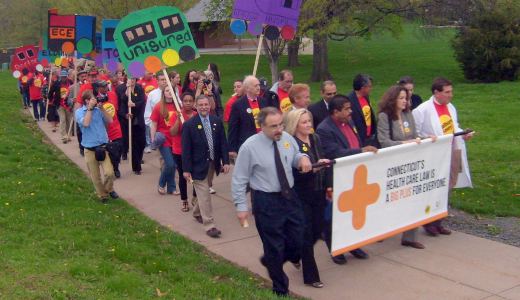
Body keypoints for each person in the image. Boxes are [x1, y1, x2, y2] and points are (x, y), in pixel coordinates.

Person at [232, 107, 312, 296]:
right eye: (273, 126)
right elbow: (239, 178)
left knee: (300, 237)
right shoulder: (250, 147)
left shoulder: (286, 139)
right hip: (266, 201)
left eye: (281, 125)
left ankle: (272, 260)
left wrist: (303, 158)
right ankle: (280, 288)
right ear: (261, 126)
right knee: (274, 245)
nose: (279, 130)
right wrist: (241, 206)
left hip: (289, 197)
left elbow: (294, 156)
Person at [316, 94, 378, 264]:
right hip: (336, 177)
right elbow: (334, 152)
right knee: (333, 216)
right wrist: (361, 151)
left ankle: (353, 244)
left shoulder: (349, 123)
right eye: (347, 109)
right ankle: (336, 249)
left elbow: (355, 142)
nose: (351, 112)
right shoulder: (324, 129)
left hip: (355, 175)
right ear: (336, 112)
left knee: (353, 213)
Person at [413, 77, 473, 236]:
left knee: (448, 185)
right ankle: (429, 222)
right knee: (435, 186)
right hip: (435, 154)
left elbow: (454, 126)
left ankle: (439, 219)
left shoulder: (451, 107)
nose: (450, 95)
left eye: (451, 91)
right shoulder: (422, 110)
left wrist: (463, 134)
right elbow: (415, 133)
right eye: (447, 92)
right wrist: (427, 138)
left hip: (453, 150)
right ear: (436, 93)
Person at [377, 85, 431, 249]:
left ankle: (409, 236)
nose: (404, 101)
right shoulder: (384, 116)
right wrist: (403, 143)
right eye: (401, 98)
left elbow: (414, 135)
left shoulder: (408, 114)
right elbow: (384, 141)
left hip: (410, 163)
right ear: (393, 99)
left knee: (412, 197)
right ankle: (381, 229)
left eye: (406, 98)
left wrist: (426, 138)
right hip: (392, 164)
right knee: (390, 199)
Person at [285, 108, 331, 288]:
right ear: (295, 124)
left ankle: (295, 254)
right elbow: (293, 174)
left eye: (309, 121)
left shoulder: (315, 138)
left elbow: (323, 161)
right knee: (305, 232)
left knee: (317, 229)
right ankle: (311, 276)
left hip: (318, 192)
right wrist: (315, 168)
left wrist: (328, 184)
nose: (309, 125)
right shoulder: (291, 144)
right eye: (304, 122)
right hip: (300, 194)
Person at [182, 95, 230, 238]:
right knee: (205, 195)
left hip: (212, 164)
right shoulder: (189, 125)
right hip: (197, 165)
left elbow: (223, 143)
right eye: (201, 104)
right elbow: (186, 149)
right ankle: (209, 225)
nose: (204, 107)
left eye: (206, 104)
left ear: (210, 106)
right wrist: (186, 169)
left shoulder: (216, 122)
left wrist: (225, 161)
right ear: (196, 106)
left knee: (204, 192)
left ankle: (197, 212)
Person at [75, 90, 119, 203]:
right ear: (87, 101)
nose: (96, 100)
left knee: (109, 173)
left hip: (103, 147)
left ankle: (109, 189)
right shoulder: (79, 112)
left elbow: (110, 120)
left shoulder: (99, 110)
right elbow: (85, 123)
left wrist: (102, 108)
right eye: (94, 98)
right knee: (96, 177)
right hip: (90, 149)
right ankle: (103, 196)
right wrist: (89, 109)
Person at [228, 76, 272, 159]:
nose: (259, 88)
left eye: (258, 85)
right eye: (255, 86)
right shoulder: (238, 105)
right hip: (247, 144)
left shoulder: (263, 101)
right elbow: (233, 127)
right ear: (247, 88)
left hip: (264, 142)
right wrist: (231, 148)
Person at [169, 92, 198, 211]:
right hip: (179, 151)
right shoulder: (177, 115)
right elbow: (172, 132)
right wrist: (178, 119)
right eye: (185, 101)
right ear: (182, 102)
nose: (188, 103)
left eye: (190, 101)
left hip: (194, 151)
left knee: (197, 175)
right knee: (183, 176)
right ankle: (184, 200)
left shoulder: (197, 115)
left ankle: (196, 197)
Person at [150, 87, 178, 194]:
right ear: (163, 93)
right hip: (163, 139)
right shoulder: (158, 107)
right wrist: (153, 139)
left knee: (173, 165)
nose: (169, 92)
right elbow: (154, 124)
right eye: (167, 90)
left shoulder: (177, 106)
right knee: (170, 164)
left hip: (175, 139)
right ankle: (161, 184)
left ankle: (172, 188)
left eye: (171, 90)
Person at [116, 77, 146, 174]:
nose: (132, 81)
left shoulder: (139, 88)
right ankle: (136, 167)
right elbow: (122, 102)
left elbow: (142, 101)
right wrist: (126, 92)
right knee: (134, 145)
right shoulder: (122, 89)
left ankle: (139, 159)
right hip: (129, 120)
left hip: (139, 119)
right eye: (130, 79)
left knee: (142, 143)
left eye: (133, 79)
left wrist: (134, 104)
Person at [96, 80, 123, 179]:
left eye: (106, 85)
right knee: (110, 150)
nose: (105, 88)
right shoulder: (96, 98)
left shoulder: (112, 94)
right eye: (103, 86)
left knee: (119, 148)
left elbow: (117, 108)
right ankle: (112, 168)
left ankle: (116, 166)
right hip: (105, 130)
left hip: (116, 127)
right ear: (99, 88)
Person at [347, 74, 379, 147]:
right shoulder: (349, 101)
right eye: (369, 86)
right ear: (363, 88)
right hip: (360, 140)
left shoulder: (366, 97)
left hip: (371, 138)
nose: (371, 88)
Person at [144, 72, 167, 153]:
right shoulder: (152, 94)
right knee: (164, 155)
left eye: (165, 79)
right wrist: (153, 127)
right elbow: (148, 113)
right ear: (157, 81)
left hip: (172, 127)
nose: (164, 81)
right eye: (162, 80)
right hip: (159, 130)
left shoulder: (173, 92)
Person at [49, 69, 73, 143]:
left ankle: (68, 134)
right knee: (62, 119)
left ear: (67, 76)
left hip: (68, 104)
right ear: (60, 77)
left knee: (68, 120)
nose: (63, 78)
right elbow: (50, 93)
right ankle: (63, 135)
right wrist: (52, 101)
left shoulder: (71, 82)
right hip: (60, 104)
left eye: (65, 77)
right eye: (62, 77)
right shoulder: (56, 84)